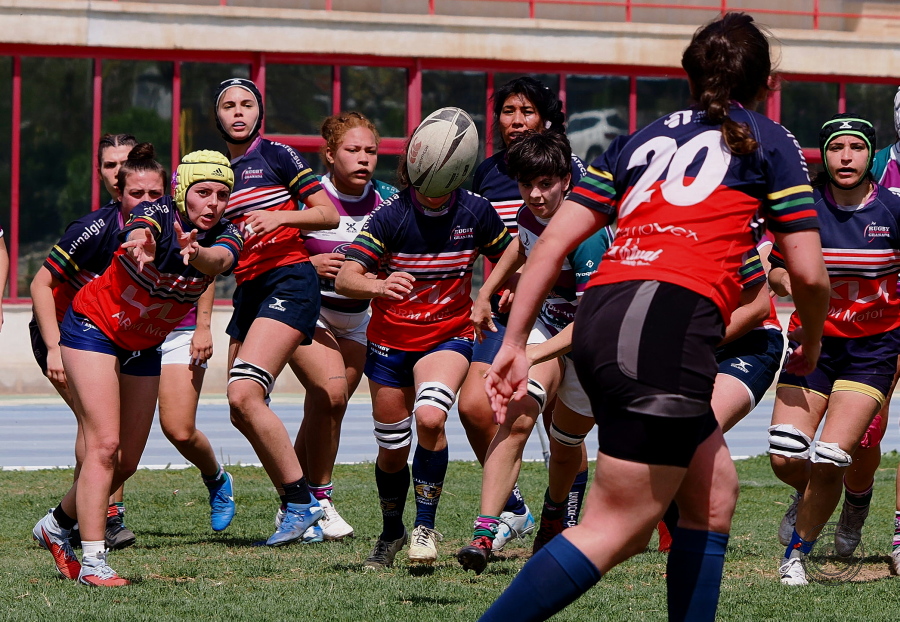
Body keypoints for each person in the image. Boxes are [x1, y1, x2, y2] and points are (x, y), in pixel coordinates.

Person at [478, 13, 829, 621]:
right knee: (618, 525)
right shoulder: (771, 141)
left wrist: (513, 341)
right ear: (767, 82)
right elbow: (811, 275)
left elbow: (552, 240)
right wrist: (814, 341)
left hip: (604, 314)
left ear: (688, 77)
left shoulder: (639, 140)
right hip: (665, 323)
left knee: (713, 494)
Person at [32, 147, 241, 586]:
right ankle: (94, 562)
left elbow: (221, 261)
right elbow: (141, 224)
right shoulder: (158, 213)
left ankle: (55, 524)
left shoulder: (228, 232)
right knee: (104, 445)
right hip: (93, 328)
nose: (213, 203)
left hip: (144, 343)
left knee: (124, 462)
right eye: (203, 192)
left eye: (222, 194)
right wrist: (142, 240)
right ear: (182, 191)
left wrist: (196, 253)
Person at [335, 112, 511, 568]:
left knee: (431, 418)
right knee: (392, 447)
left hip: (448, 336)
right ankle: (391, 531)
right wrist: (379, 285)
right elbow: (347, 277)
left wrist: (496, 290)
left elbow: (514, 252)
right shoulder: (390, 215)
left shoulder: (476, 211)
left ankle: (424, 528)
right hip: (390, 343)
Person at [456, 131, 611, 574]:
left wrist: (530, 356)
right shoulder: (530, 212)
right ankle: (484, 532)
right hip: (548, 327)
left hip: (594, 340)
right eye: (527, 185)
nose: (536, 195)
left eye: (546, 184)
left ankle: (553, 516)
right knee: (518, 417)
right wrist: (486, 291)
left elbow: (590, 323)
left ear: (566, 181)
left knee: (566, 445)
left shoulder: (588, 233)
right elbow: (521, 244)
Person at [768, 113, 900, 585]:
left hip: (873, 350)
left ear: (870, 155)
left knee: (831, 457)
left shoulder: (893, 209)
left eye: (857, 148)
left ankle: (797, 553)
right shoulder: (802, 209)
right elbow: (775, 269)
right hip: (812, 343)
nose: (846, 157)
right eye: (837, 148)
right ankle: (818, 498)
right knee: (784, 454)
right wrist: (790, 281)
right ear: (823, 156)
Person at [214, 78, 341, 546]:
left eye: (247, 104)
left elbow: (327, 214)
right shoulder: (215, 173)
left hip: (289, 279)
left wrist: (280, 216)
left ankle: (305, 502)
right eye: (228, 105)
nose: (238, 112)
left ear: (259, 112)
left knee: (246, 393)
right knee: (240, 409)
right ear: (217, 117)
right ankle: (299, 506)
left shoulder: (277, 155)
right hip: (248, 291)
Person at [281, 111, 397, 541]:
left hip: (359, 318)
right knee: (330, 395)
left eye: (371, 151)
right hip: (308, 311)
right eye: (353, 150)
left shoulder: (388, 199)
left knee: (326, 406)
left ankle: (292, 505)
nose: (364, 158)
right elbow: (268, 255)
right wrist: (308, 263)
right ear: (330, 154)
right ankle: (321, 500)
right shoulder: (306, 196)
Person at [30, 133, 141, 550]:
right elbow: (39, 284)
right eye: (110, 165)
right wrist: (54, 347)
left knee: (105, 433)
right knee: (99, 431)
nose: (118, 172)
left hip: (111, 336)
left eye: (126, 162)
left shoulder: (162, 223)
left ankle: (86, 517)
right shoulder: (93, 227)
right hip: (67, 335)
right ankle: (97, 520)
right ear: (100, 174)